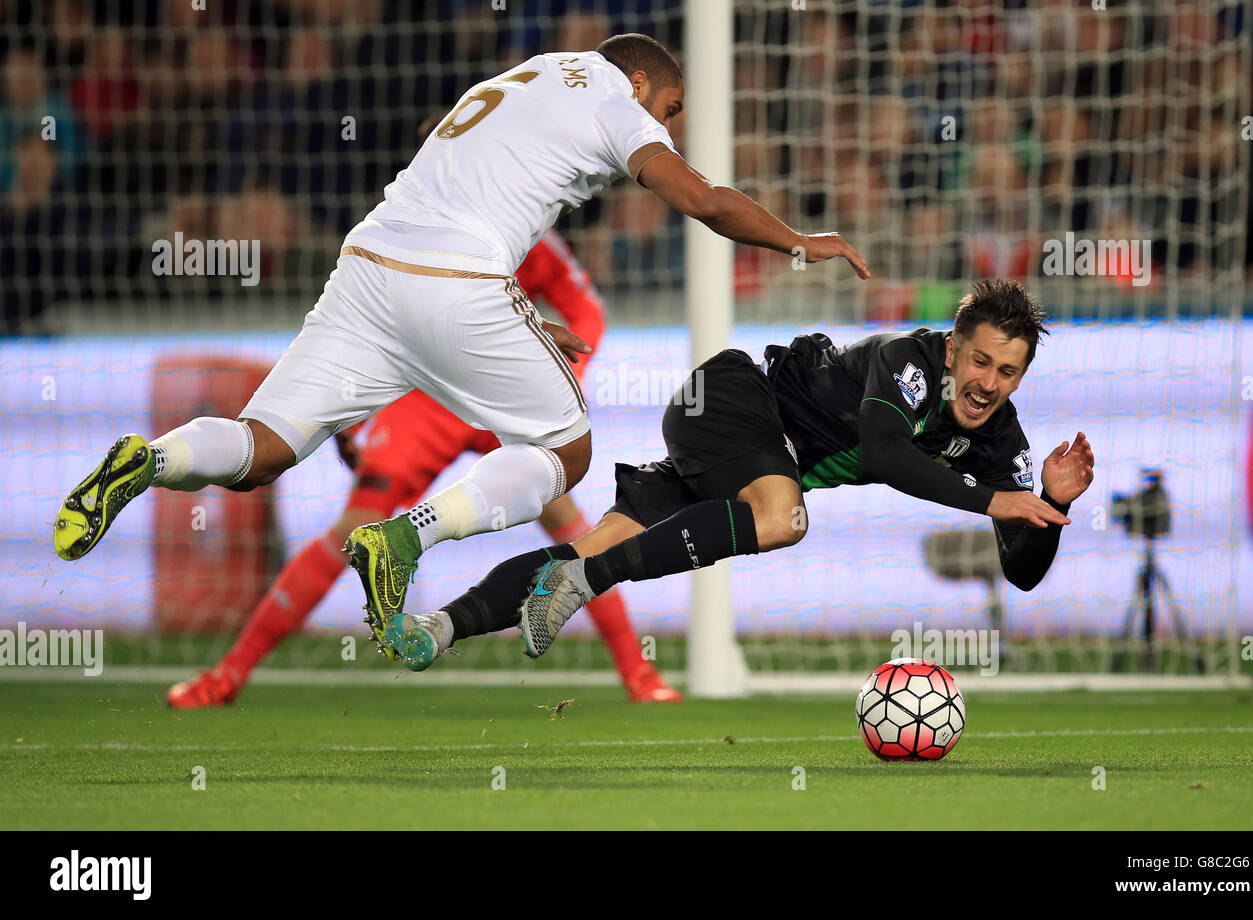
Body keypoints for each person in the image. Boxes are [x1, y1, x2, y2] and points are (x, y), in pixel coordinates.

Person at [53, 34, 868, 663]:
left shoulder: (521, 77)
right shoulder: (616, 98)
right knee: (566, 449)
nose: (669, 122)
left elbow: (472, 188)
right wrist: (800, 241)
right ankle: (404, 538)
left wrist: (504, 315)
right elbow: (703, 199)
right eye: (672, 106)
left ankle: (147, 461)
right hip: (456, 283)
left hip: (369, 268)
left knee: (263, 449)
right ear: (644, 81)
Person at [373, 280, 1095, 669]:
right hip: (733, 398)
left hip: (741, 456)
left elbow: (1023, 571)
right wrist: (997, 497)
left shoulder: (1004, 441)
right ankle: (587, 583)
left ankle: (438, 628)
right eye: (979, 362)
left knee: (596, 546)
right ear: (953, 349)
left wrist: (1048, 506)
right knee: (784, 519)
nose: (987, 384)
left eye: (1007, 373)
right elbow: (882, 451)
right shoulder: (907, 357)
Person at [165, 231, 680, 706]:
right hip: (426, 399)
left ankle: (638, 674)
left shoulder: (528, 228)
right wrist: (348, 414)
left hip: (502, 394)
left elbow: (585, 309)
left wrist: (563, 377)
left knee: (570, 523)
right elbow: (366, 323)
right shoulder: (411, 226)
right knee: (351, 530)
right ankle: (229, 675)